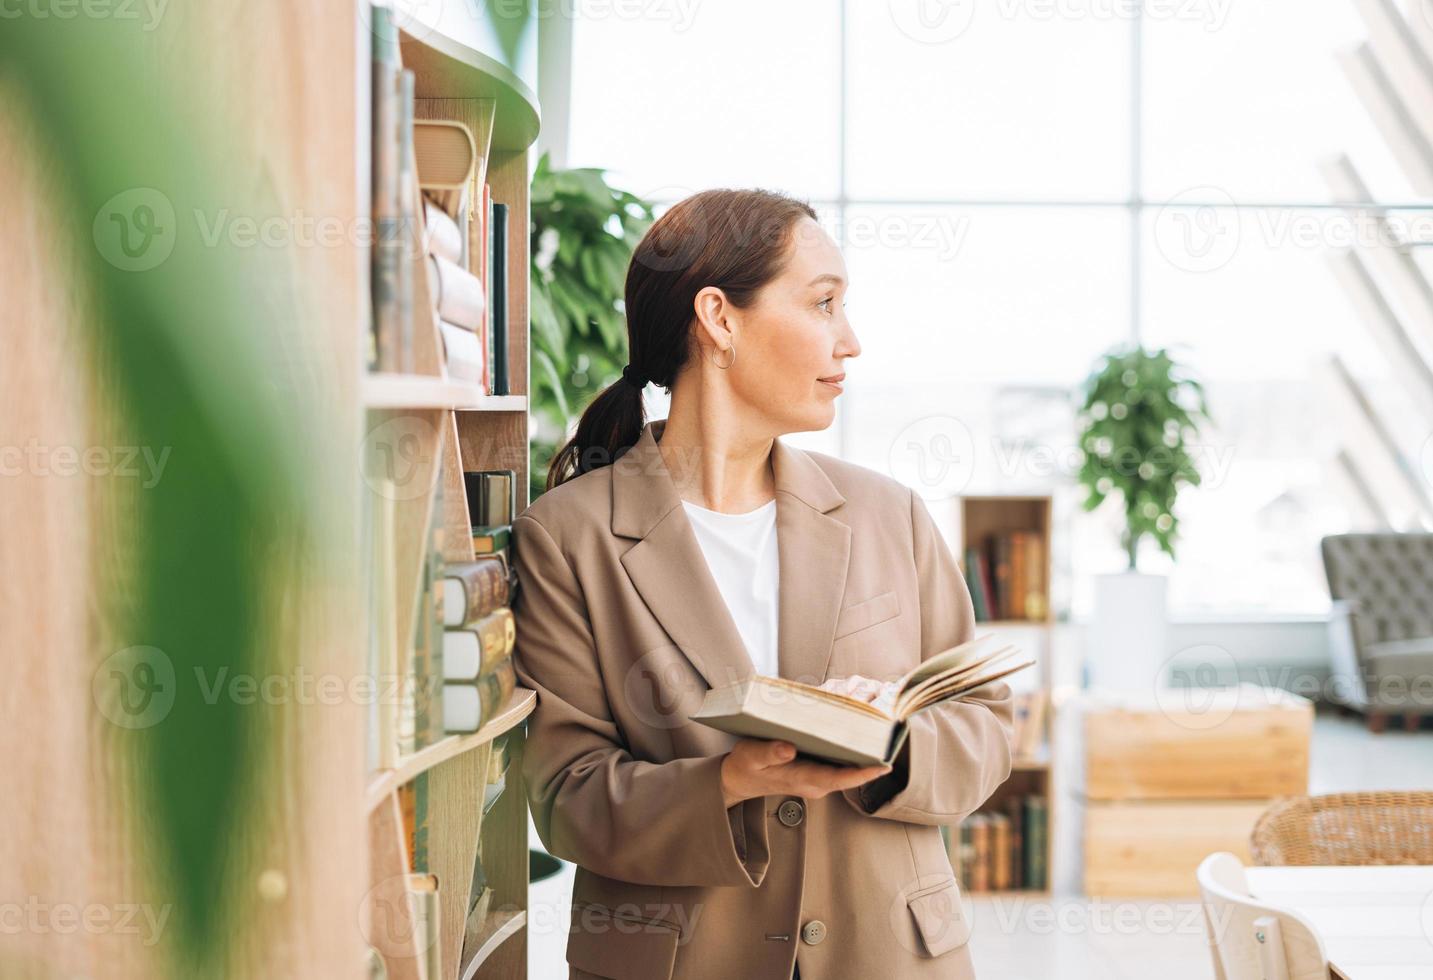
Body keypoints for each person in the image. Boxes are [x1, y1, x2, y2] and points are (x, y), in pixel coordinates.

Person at [512, 188, 1014, 980]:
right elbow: (565, 799)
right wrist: (732, 780)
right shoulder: (568, 537)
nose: (849, 341)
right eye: (823, 304)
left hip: (884, 955)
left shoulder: (890, 515)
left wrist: (894, 747)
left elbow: (984, 721)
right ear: (718, 319)